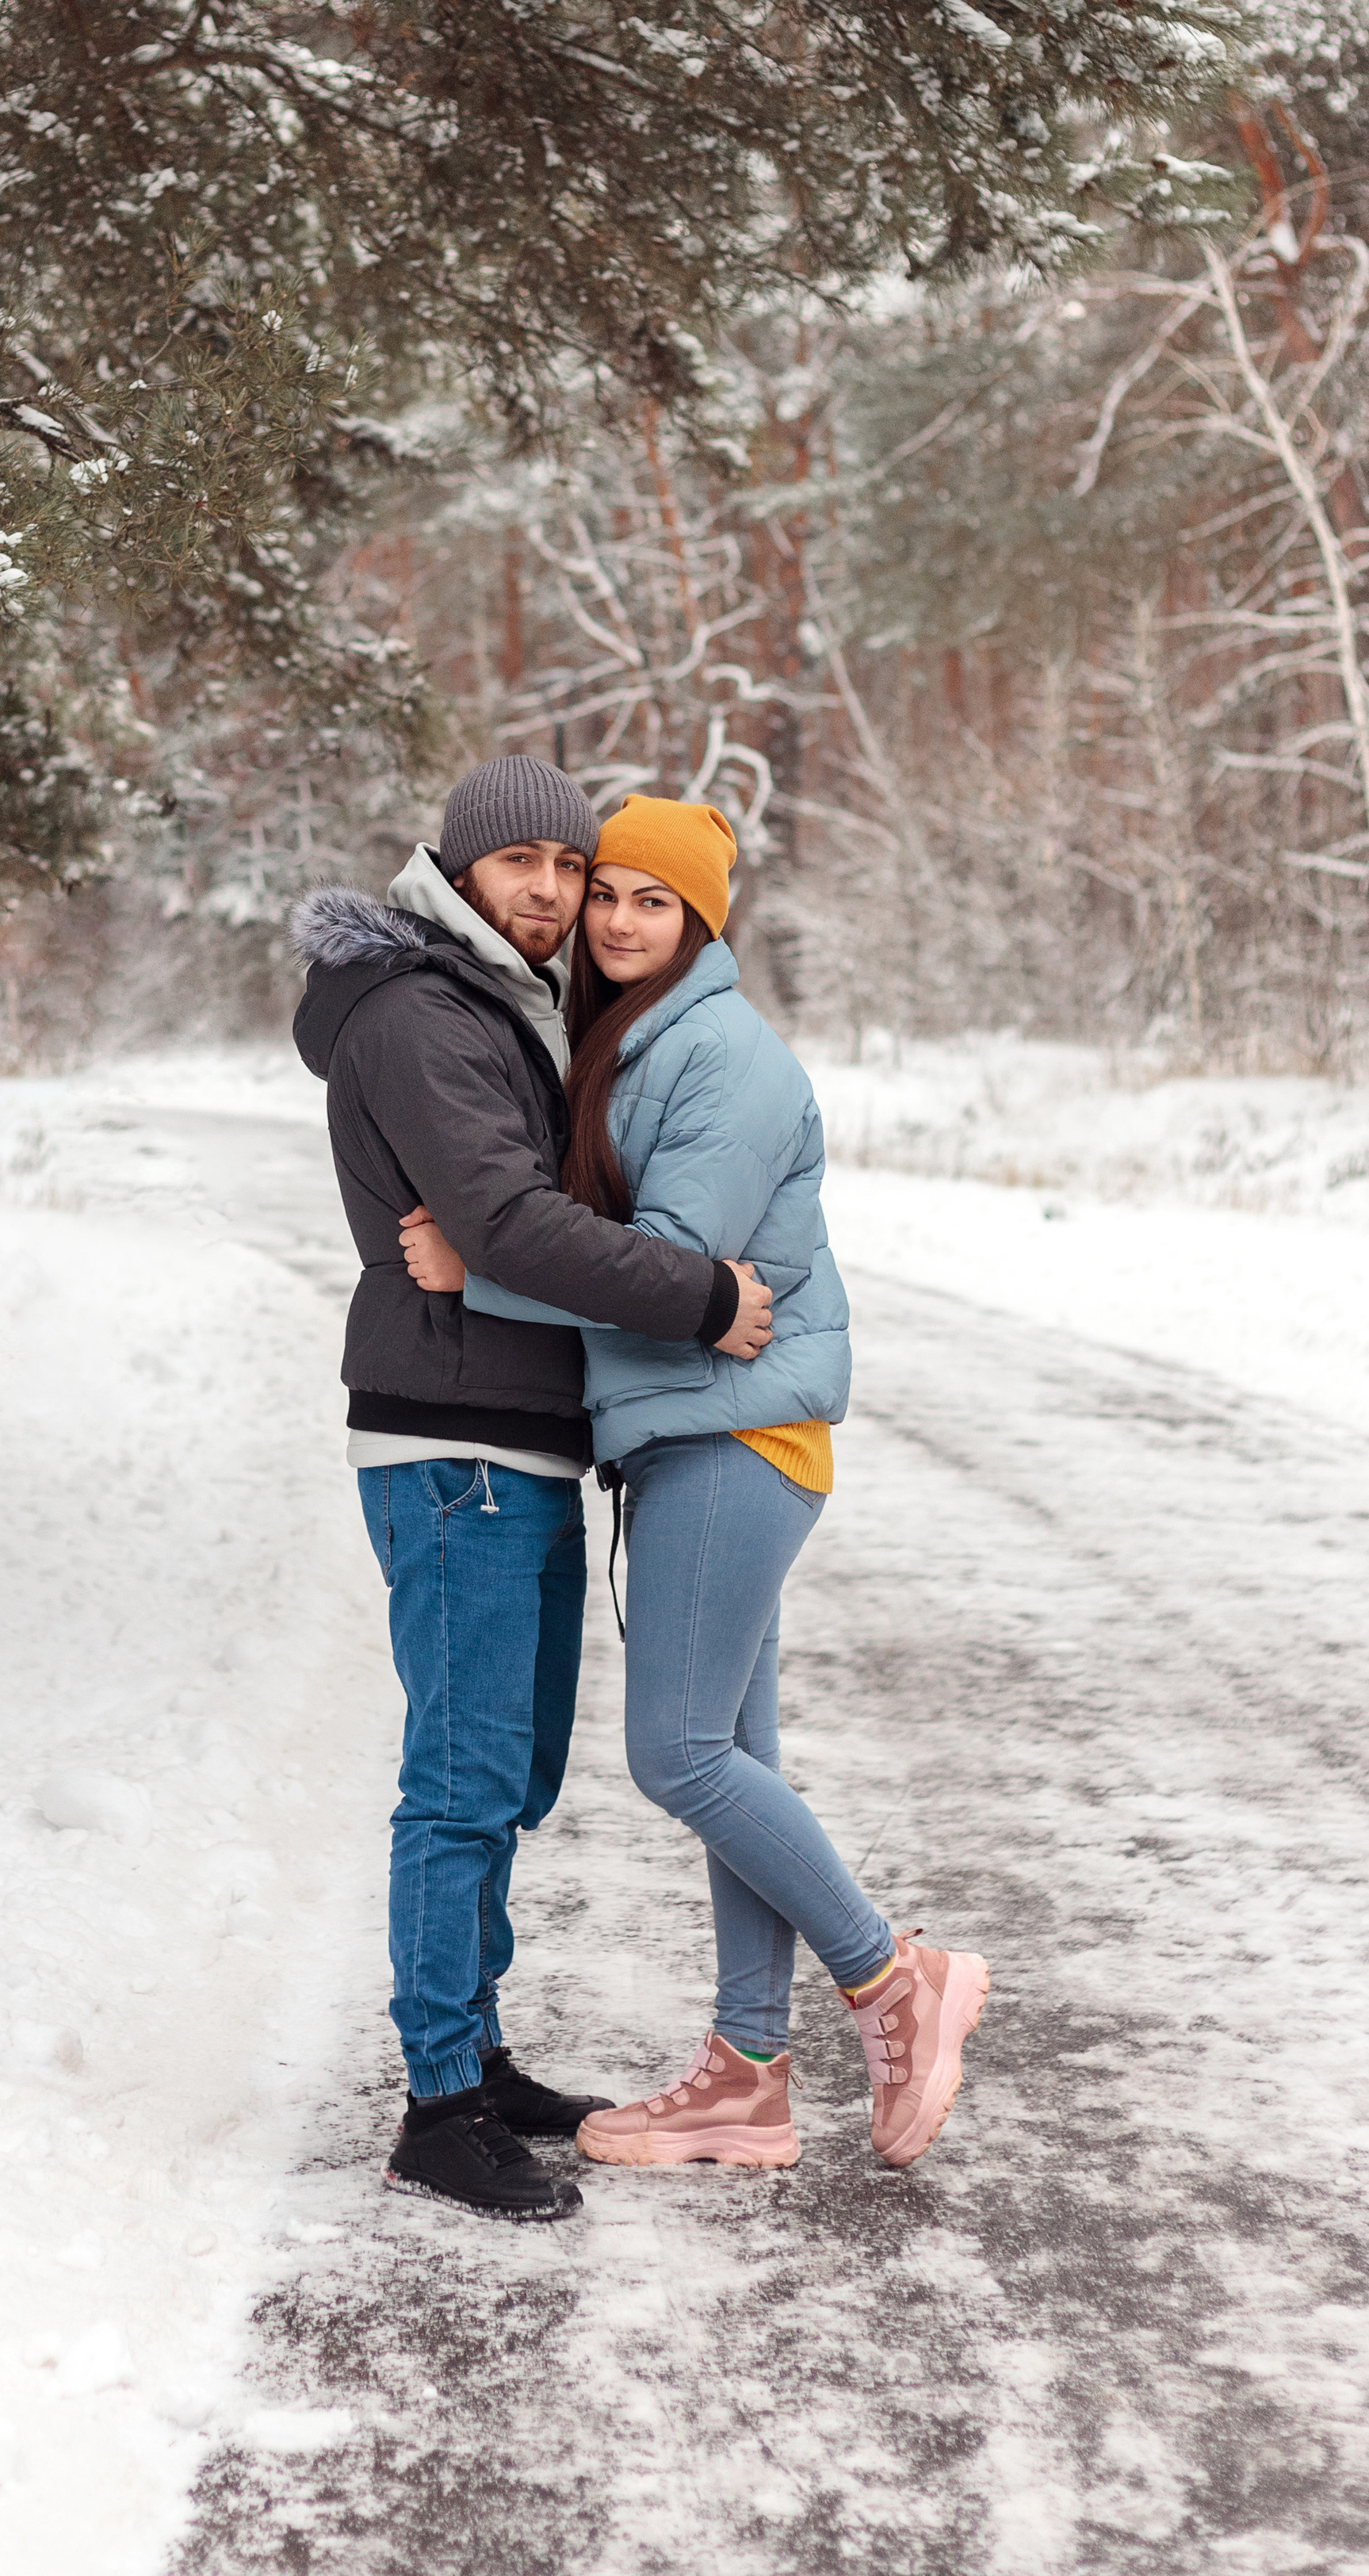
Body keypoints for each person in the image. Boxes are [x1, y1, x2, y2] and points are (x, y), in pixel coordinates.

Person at [401, 794, 990, 2174]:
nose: (614, 918)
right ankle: (747, 2075)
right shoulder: (633, 1040)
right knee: (735, 1762)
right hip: (697, 1435)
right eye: (605, 891)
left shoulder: (722, 1056)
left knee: (676, 1750)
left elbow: (669, 1270)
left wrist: (475, 1273)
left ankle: (892, 1976)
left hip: (735, 1437)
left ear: (702, 920)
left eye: (651, 901)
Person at [290, 755, 775, 2222]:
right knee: (459, 1782)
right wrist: (703, 1297)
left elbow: (527, 1216)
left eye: (573, 869)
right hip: (454, 1448)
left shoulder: (503, 1001)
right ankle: (439, 2106)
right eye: (526, 865)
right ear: (459, 868)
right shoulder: (423, 1011)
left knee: (507, 1778)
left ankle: (478, 2057)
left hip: (513, 1437)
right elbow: (509, 1221)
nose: (556, 894)